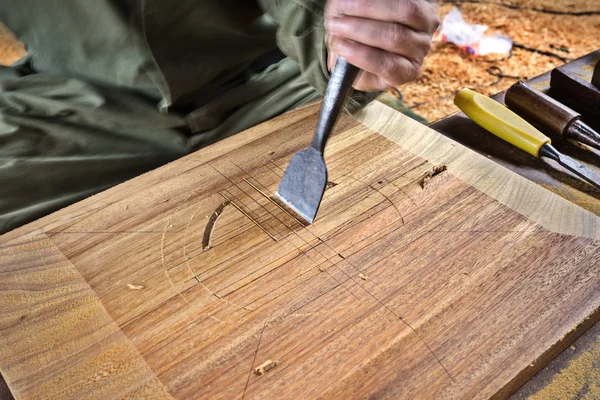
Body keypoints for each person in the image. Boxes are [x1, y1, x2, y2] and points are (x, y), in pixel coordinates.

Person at [0, 0, 440, 234]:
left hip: (272, 83)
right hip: (71, 104)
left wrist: (344, 26)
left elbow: (314, 12)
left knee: (424, 190)